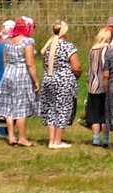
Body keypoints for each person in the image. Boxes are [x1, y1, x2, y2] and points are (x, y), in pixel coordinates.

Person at [0, 16, 40, 146]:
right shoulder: (27, 42)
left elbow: (5, 59)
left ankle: (11, 136)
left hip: (8, 73)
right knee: (21, 107)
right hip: (21, 74)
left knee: (9, 106)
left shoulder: (9, 41)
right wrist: (36, 81)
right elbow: (30, 63)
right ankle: (22, 137)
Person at [39, 19, 81, 149]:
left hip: (48, 79)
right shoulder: (68, 47)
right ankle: (57, 140)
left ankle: (51, 140)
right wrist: (77, 75)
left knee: (51, 108)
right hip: (64, 81)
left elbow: (44, 64)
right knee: (63, 109)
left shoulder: (48, 46)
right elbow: (76, 67)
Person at [85, 26, 113, 147]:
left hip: (93, 85)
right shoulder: (109, 49)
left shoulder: (92, 50)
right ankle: (106, 139)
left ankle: (95, 139)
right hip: (105, 85)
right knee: (105, 114)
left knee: (95, 114)